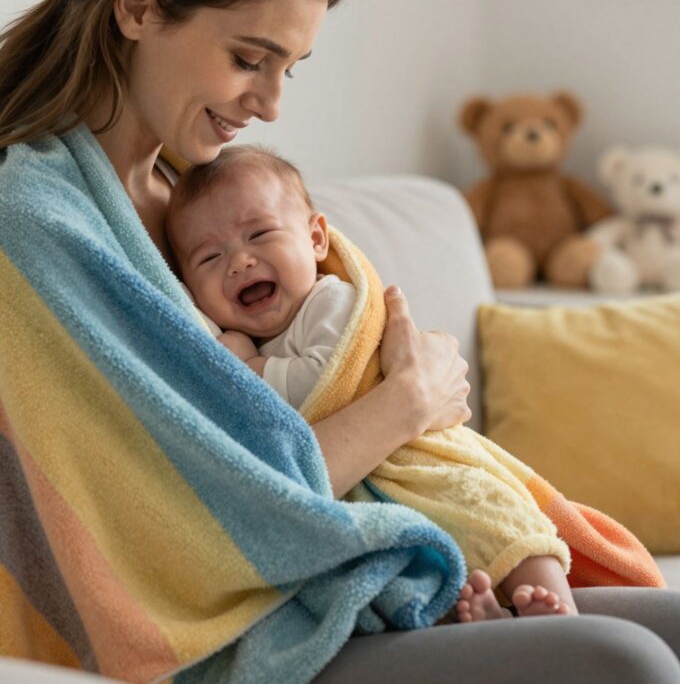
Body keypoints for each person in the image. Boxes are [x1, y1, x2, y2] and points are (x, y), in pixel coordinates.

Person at [0, 0, 680, 682]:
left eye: (290, 68)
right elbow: (188, 514)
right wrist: (407, 401)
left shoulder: (201, 196)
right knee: (622, 666)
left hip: (318, 556)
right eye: (250, 59)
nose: (273, 104)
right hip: (209, 626)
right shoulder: (25, 220)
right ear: (139, 10)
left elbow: (311, 373)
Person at [165, 143, 578, 621]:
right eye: (210, 258)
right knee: (396, 556)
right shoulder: (233, 340)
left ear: (316, 238)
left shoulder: (331, 302)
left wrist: (250, 370)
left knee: (490, 506)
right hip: (353, 485)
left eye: (259, 234)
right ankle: (475, 612)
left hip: (416, 460)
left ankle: (551, 600)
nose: (239, 262)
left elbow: (320, 382)